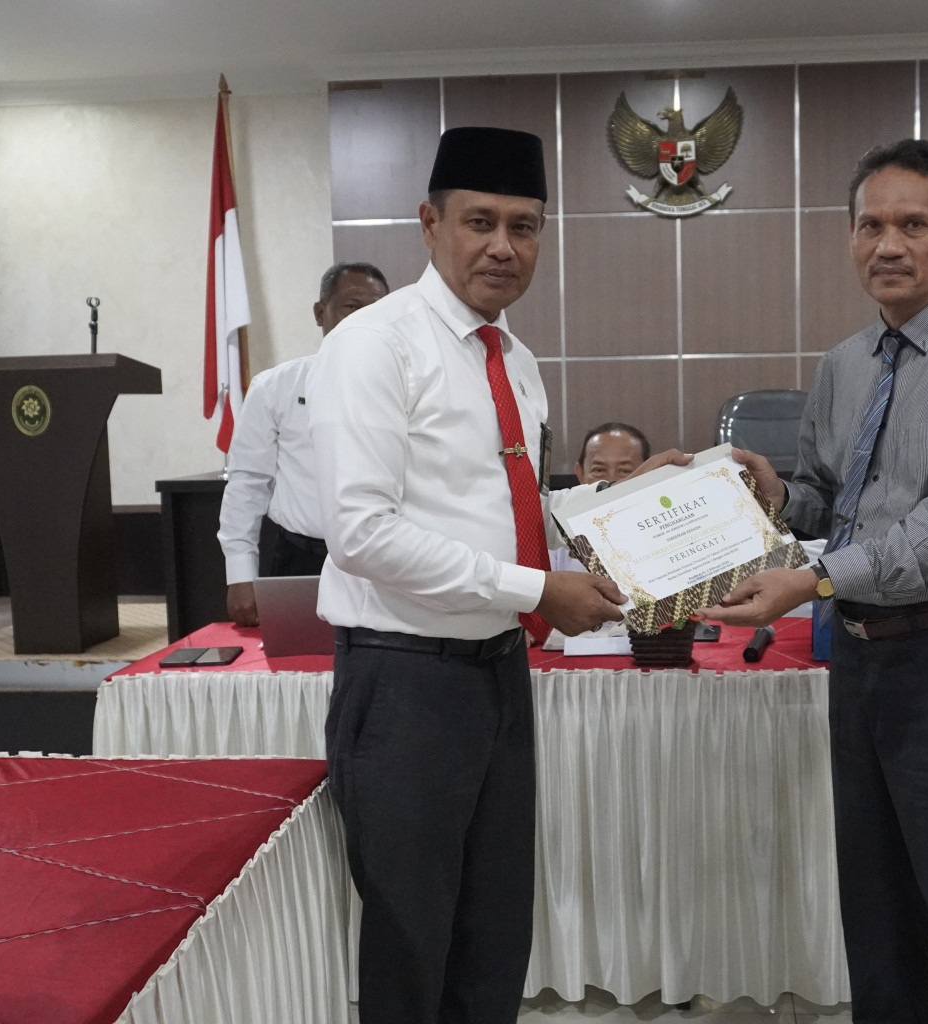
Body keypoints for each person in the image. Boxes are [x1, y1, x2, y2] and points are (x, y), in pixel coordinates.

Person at [307, 126, 687, 1024]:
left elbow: (504, 503)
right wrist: (537, 592)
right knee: (412, 941)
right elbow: (361, 532)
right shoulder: (374, 344)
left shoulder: (513, 357)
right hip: (404, 681)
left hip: (498, 674)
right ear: (430, 224)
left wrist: (638, 500)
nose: (503, 247)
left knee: (493, 932)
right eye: (480, 222)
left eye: (525, 226)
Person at [696, 138, 928, 1023]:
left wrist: (813, 582)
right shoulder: (845, 363)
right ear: (850, 236)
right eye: (870, 226)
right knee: (876, 899)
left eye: (912, 225)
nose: (888, 245)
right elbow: (832, 500)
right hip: (858, 655)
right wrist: (774, 496)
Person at [216, 261, 388, 626]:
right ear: (320, 312)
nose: (365, 320)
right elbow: (247, 483)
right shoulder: (275, 387)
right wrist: (239, 574)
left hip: (386, 560)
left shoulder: (410, 387)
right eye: (352, 307)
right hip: (301, 558)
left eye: (377, 310)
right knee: (300, 657)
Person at [551, 422, 651, 572]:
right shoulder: (554, 536)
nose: (610, 480)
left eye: (625, 470)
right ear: (580, 473)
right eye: (599, 470)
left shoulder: (666, 529)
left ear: (648, 472)